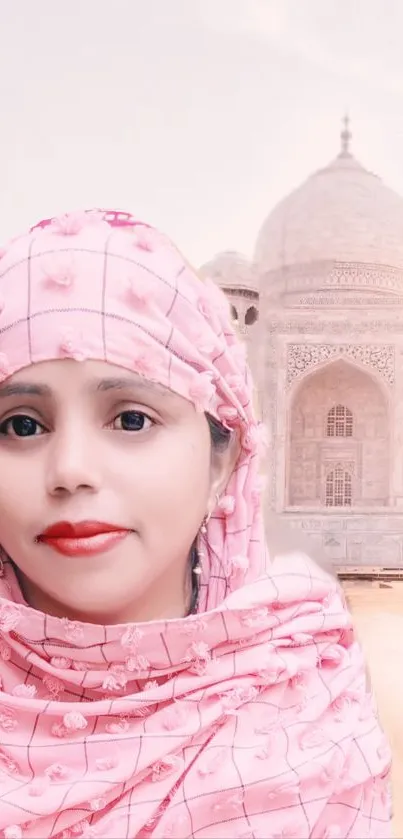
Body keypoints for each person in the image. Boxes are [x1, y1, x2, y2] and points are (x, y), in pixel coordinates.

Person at [0, 209, 391, 839]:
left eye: (131, 419)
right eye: (21, 425)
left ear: (224, 457)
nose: (70, 470)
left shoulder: (302, 697)